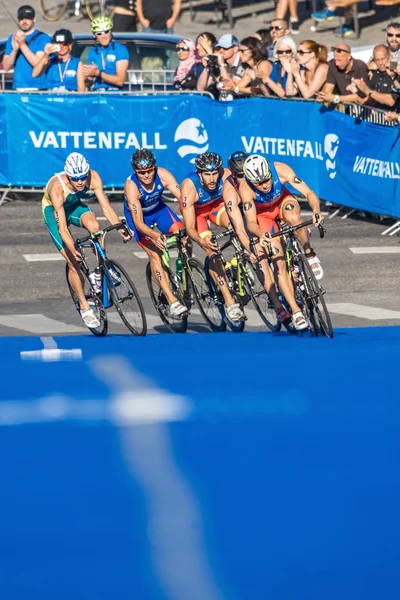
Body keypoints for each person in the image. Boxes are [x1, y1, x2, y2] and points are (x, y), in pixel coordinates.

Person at [42, 152, 130, 329]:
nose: (81, 182)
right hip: (54, 213)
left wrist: (119, 227)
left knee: (95, 226)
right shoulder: (57, 189)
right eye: (76, 179)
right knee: (74, 261)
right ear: (68, 175)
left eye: (83, 177)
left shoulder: (93, 177)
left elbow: (106, 208)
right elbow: (62, 229)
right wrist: (71, 247)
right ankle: (84, 307)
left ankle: (100, 268)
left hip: (73, 206)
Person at [239, 154, 325, 330]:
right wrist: (262, 234)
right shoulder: (245, 189)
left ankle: (309, 253)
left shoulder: (281, 170)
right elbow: (251, 223)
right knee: (278, 259)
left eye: (267, 180)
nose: (265, 185)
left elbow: (308, 193)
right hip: (263, 216)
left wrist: (316, 210)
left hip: (282, 202)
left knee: (294, 217)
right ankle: (296, 311)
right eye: (259, 184)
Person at [223, 151, 293, 327]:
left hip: (266, 211)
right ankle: (278, 307)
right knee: (260, 257)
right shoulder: (231, 190)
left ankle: (295, 275)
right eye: (239, 176)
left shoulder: (258, 178)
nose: (243, 178)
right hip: (248, 220)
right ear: (233, 175)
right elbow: (240, 227)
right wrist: (249, 249)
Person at [180, 152, 245, 323]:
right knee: (212, 249)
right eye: (207, 174)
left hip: (217, 207)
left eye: (214, 173)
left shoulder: (227, 175)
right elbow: (189, 227)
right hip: (198, 214)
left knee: (237, 228)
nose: (212, 179)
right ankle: (230, 304)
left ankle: (242, 264)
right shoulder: (189, 187)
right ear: (199, 173)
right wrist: (201, 241)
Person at [124, 149, 188, 319]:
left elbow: (183, 198)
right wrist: (155, 235)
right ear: (135, 171)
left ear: (154, 167)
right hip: (140, 219)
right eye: (141, 173)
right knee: (155, 254)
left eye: (149, 171)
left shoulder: (163, 174)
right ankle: (173, 302)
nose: (146, 175)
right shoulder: (131, 187)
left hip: (159, 210)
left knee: (186, 235)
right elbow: (138, 223)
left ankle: (185, 277)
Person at [3, 5, 51, 91]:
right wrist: (14, 50)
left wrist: (22, 45)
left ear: (34, 19)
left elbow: (38, 64)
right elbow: (6, 67)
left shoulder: (43, 38)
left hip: (38, 88)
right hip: (18, 88)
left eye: (28, 18)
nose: (24, 21)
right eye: (21, 18)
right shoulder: (12, 38)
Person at [83, 16, 129, 91]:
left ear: (111, 32)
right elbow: (88, 83)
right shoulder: (93, 51)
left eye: (106, 32)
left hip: (114, 94)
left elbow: (120, 81)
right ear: (94, 35)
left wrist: (99, 73)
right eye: (99, 33)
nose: (104, 36)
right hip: (97, 93)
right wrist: (89, 77)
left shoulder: (120, 50)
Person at [197, 34, 245, 101]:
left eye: (225, 48)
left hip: (240, 105)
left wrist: (222, 65)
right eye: (219, 48)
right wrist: (207, 66)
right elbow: (200, 88)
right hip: (223, 106)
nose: (221, 51)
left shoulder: (242, 63)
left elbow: (231, 86)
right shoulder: (219, 63)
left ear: (235, 49)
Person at [353, 45, 399, 112]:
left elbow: (391, 101)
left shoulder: (395, 72)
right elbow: (369, 97)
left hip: (395, 120)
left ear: (389, 57)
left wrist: (368, 91)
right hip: (379, 119)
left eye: (383, 59)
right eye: (377, 60)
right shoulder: (376, 73)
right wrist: (357, 88)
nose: (380, 63)